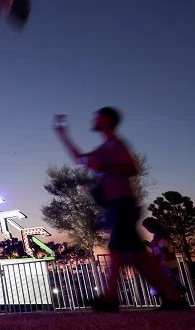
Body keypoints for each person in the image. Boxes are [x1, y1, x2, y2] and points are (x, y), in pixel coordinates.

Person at [53, 107, 189, 312]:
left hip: (123, 204)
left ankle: (111, 298)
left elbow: (132, 168)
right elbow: (81, 159)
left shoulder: (115, 145)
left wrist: (107, 168)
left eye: (97, 116)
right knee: (138, 257)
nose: (94, 119)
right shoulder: (106, 147)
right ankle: (172, 297)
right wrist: (63, 135)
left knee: (118, 251)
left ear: (107, 120)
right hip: (118, 206)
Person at [142, 218, 184, 293]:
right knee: (172, 290)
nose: (148, 230)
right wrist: (149, 244)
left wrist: (159, 263)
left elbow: (165, 253)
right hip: (168, 266)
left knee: (171, 290)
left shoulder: (160, 238)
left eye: (147, 228)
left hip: (167, 267)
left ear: (152, 226)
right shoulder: (159, 237)